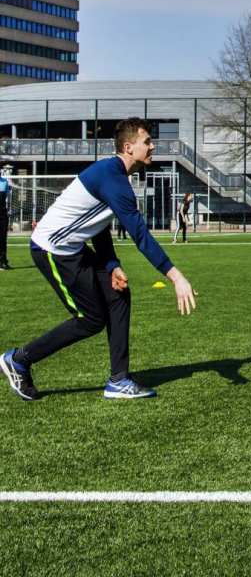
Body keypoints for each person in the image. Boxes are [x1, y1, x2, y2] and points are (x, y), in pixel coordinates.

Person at [0, 118, 197, 402]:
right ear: (129, 148)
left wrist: (112, 265)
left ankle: (119, 380)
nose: (153, 146)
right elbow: (140, 235)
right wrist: (177, 277)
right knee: (90, 319)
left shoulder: (115, 175)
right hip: (51, 250)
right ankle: (19, 359)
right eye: (147, 142)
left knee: (119, 295)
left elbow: (98, 225)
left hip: (74, 248)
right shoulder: (113, 178)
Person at [0, 169, 9, 270]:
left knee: (3, 238)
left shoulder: (4, 182)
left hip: (2, 214)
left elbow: (6, 197)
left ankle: (3, 261)